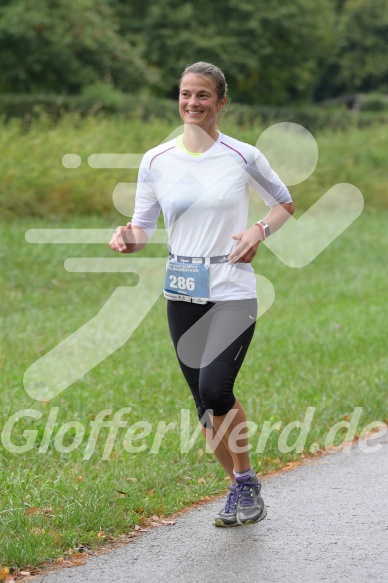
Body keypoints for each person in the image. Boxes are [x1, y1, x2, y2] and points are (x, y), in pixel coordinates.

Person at [109, 62, 294, 527]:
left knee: (217, 389)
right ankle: (240, 487)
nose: (192, 103)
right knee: (202, 403)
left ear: (221, 102)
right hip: (182, 292)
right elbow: (142, 229)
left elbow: (284, 202)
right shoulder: (155, 160)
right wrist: (126, 238)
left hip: (232, 289)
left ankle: (246, 478)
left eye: (203, 96)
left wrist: (258, 230)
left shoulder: (242, 155)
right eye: (186, 94)